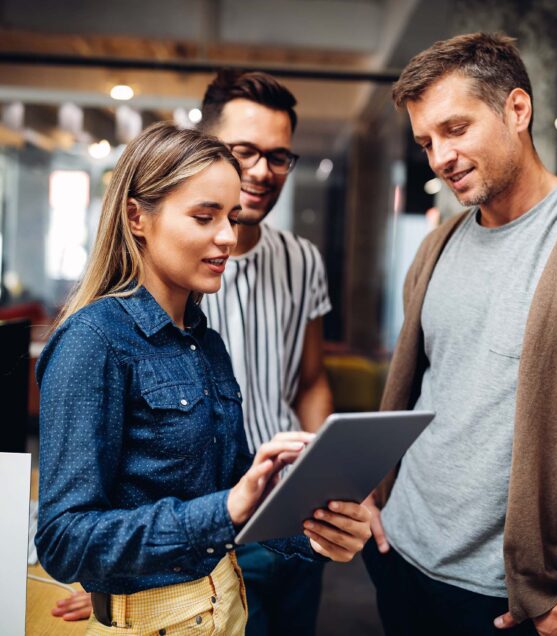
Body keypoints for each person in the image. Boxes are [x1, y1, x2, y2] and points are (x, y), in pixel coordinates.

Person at [35, 121, 371, 635]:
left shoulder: (204, 342)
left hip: (226, 609)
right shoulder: (93, 340)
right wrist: (223, 510)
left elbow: (237, 492)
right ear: (136, 218)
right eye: (204, 216)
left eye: (232, 217)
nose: (227, 238)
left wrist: (316, 534)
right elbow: (63, 540)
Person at [362, 32, 557, 636]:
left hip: (507, 597)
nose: (439, 157)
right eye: (426, 142)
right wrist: (375, 497)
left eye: (455, 130)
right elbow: (416, 392)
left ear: (517, 110)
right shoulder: (437, 246)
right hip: (399, 554)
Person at [196, 70, 333, 636]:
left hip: (292, 516)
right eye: (244, 151)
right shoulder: (169, 259)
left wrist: (325, 476)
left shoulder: (302, 259)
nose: (260, 171)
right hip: (203, 521)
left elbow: (311, 380)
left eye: (278, 156)